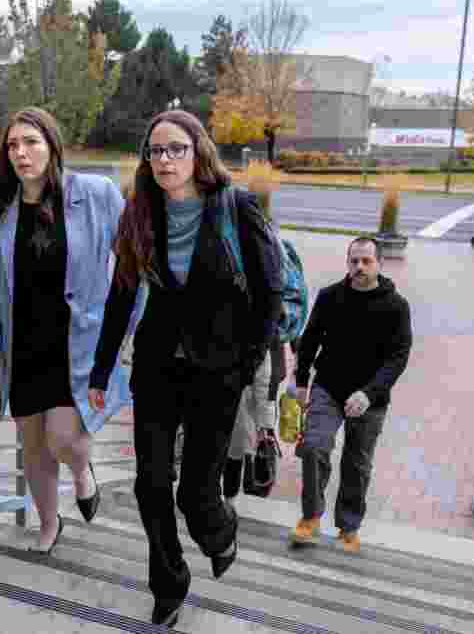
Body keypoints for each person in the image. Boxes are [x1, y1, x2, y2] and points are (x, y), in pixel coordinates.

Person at [88, 110, 282, 627]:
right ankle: (169, 584)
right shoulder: (140, 211)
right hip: (156, 367)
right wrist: (100, 369)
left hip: (218, 372)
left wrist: (248, 364)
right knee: (148, 484)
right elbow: (122, 293)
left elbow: (270, 293)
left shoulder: (235, 207)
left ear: (198, 151)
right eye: (155, 151)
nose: (165, 159)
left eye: (176, 148)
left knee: (196, 494)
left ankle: (219, 533)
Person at [0, 107, 129, 553]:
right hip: (22, 346)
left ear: (52, 145)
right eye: (13, 145)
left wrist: (126, 332)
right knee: (33, 446)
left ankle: (82, 472)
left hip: (76, 345)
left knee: (64, 439)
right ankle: (47, 523)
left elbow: (135, 262)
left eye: (31, 142)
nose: (21, 153)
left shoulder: (96, 195)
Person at [291, 236, 412, 552]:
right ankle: (310, 517)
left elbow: (398, 357)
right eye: (354, 261)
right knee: (314, 447)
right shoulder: (330, 297)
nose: (359, 267)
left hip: (370, 398)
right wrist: (302, 382)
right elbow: (310, 339)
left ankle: (348, 526)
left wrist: (369, 394)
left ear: (379, 264)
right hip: (328, 387)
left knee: (357, 463)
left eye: (366, 261)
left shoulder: (396, 306)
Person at [221, 341, 283, 501]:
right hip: (218, 399)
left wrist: (265, 426)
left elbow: (263, 385)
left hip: (242, 401)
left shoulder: (260, 340)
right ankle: (225, 498)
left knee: (235, 453)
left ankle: (229, 499)